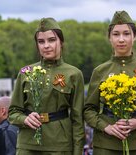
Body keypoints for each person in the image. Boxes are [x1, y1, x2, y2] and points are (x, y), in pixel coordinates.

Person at [83, 10, 136, 155]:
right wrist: (107, 127)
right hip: (106, 144)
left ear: (134, 36)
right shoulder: (100, 71)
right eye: (116, 34)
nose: (121, 39)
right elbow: (88, 110)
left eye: (126, 33)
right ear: (110, 38)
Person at [8, 17, 85, 155]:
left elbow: (78, 120)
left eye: (51, 40)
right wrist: (24, 119)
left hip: (59, 145)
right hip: (27, 145)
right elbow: (13, 112)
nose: (46, 45)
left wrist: (77, 151)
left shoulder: (74, 74)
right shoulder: (26, 72)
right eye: (41, 41)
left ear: (61, 42)